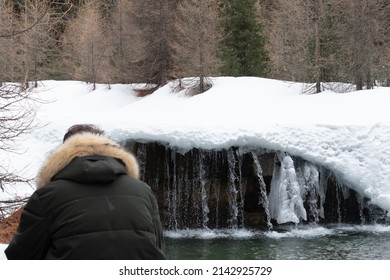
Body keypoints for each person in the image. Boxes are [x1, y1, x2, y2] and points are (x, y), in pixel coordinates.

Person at [5, 124, 166, 260]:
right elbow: (158, 246)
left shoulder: (47, 196)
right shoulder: (143, 190)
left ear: (63, 153)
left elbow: (21, 256)